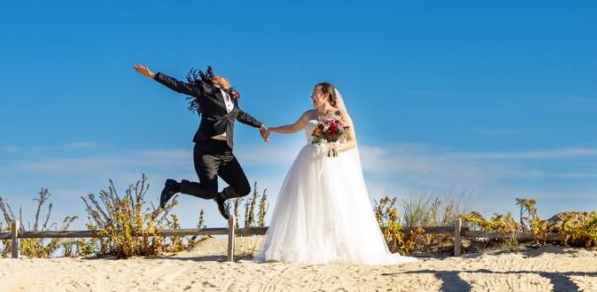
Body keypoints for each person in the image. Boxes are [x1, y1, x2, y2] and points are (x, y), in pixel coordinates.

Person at [255, 82, 412, 264]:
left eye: (315, 93)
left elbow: (352, 141)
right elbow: (292, 128)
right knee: (304, 202)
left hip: (332, 163)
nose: (312, 97)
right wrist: (271, 130)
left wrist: (338, 146)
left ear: (327, 95)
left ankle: (334, 247)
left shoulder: (340, 115)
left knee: (333, 202)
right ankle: (302, 246)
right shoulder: (309, 115)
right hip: (308, 161)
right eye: (311, 94)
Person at [133, 63, 268, 220]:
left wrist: (260, 125)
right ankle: (175, 186)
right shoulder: (205, 90)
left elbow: (240, 115)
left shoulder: (232, 99)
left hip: (225, 153)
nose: (227, 78)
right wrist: (153, 75)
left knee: (243, 189)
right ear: (215, 81)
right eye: (222, 77)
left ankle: (221, 197)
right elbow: (179, 86)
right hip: (207, 151)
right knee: (208, 192)